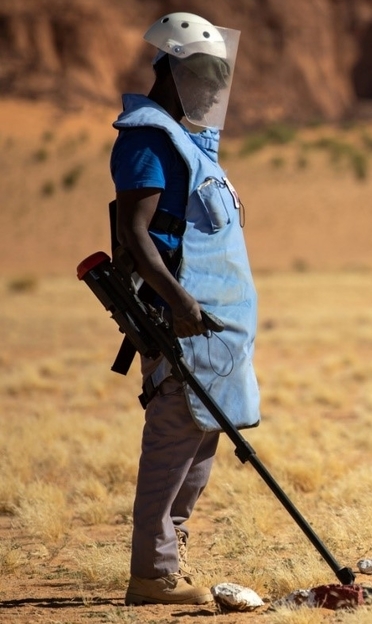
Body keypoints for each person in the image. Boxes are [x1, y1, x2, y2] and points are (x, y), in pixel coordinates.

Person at [110, 12, 258, 606]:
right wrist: (180, 302)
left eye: (219, 76)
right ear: (172, 70)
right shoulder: (147, 139)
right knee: (173, 440)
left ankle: (169, 559)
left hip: (211, 330)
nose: (213, 88)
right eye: (204, 74)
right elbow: (134, 233)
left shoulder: (189, 143)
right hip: (178, 322)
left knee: (200, 440)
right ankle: (151, 575)